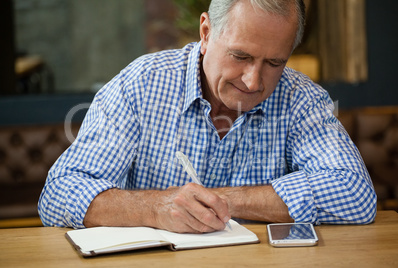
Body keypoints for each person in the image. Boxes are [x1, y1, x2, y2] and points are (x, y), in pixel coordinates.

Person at [38, 0, 377, 233]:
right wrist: (158, 208)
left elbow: (355, 194)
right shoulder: (139, 85)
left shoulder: (300, 98)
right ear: (205, 33)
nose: (253, 81)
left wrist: (219, 200)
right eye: (240, 56)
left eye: (275, 63)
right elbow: (59, 195)